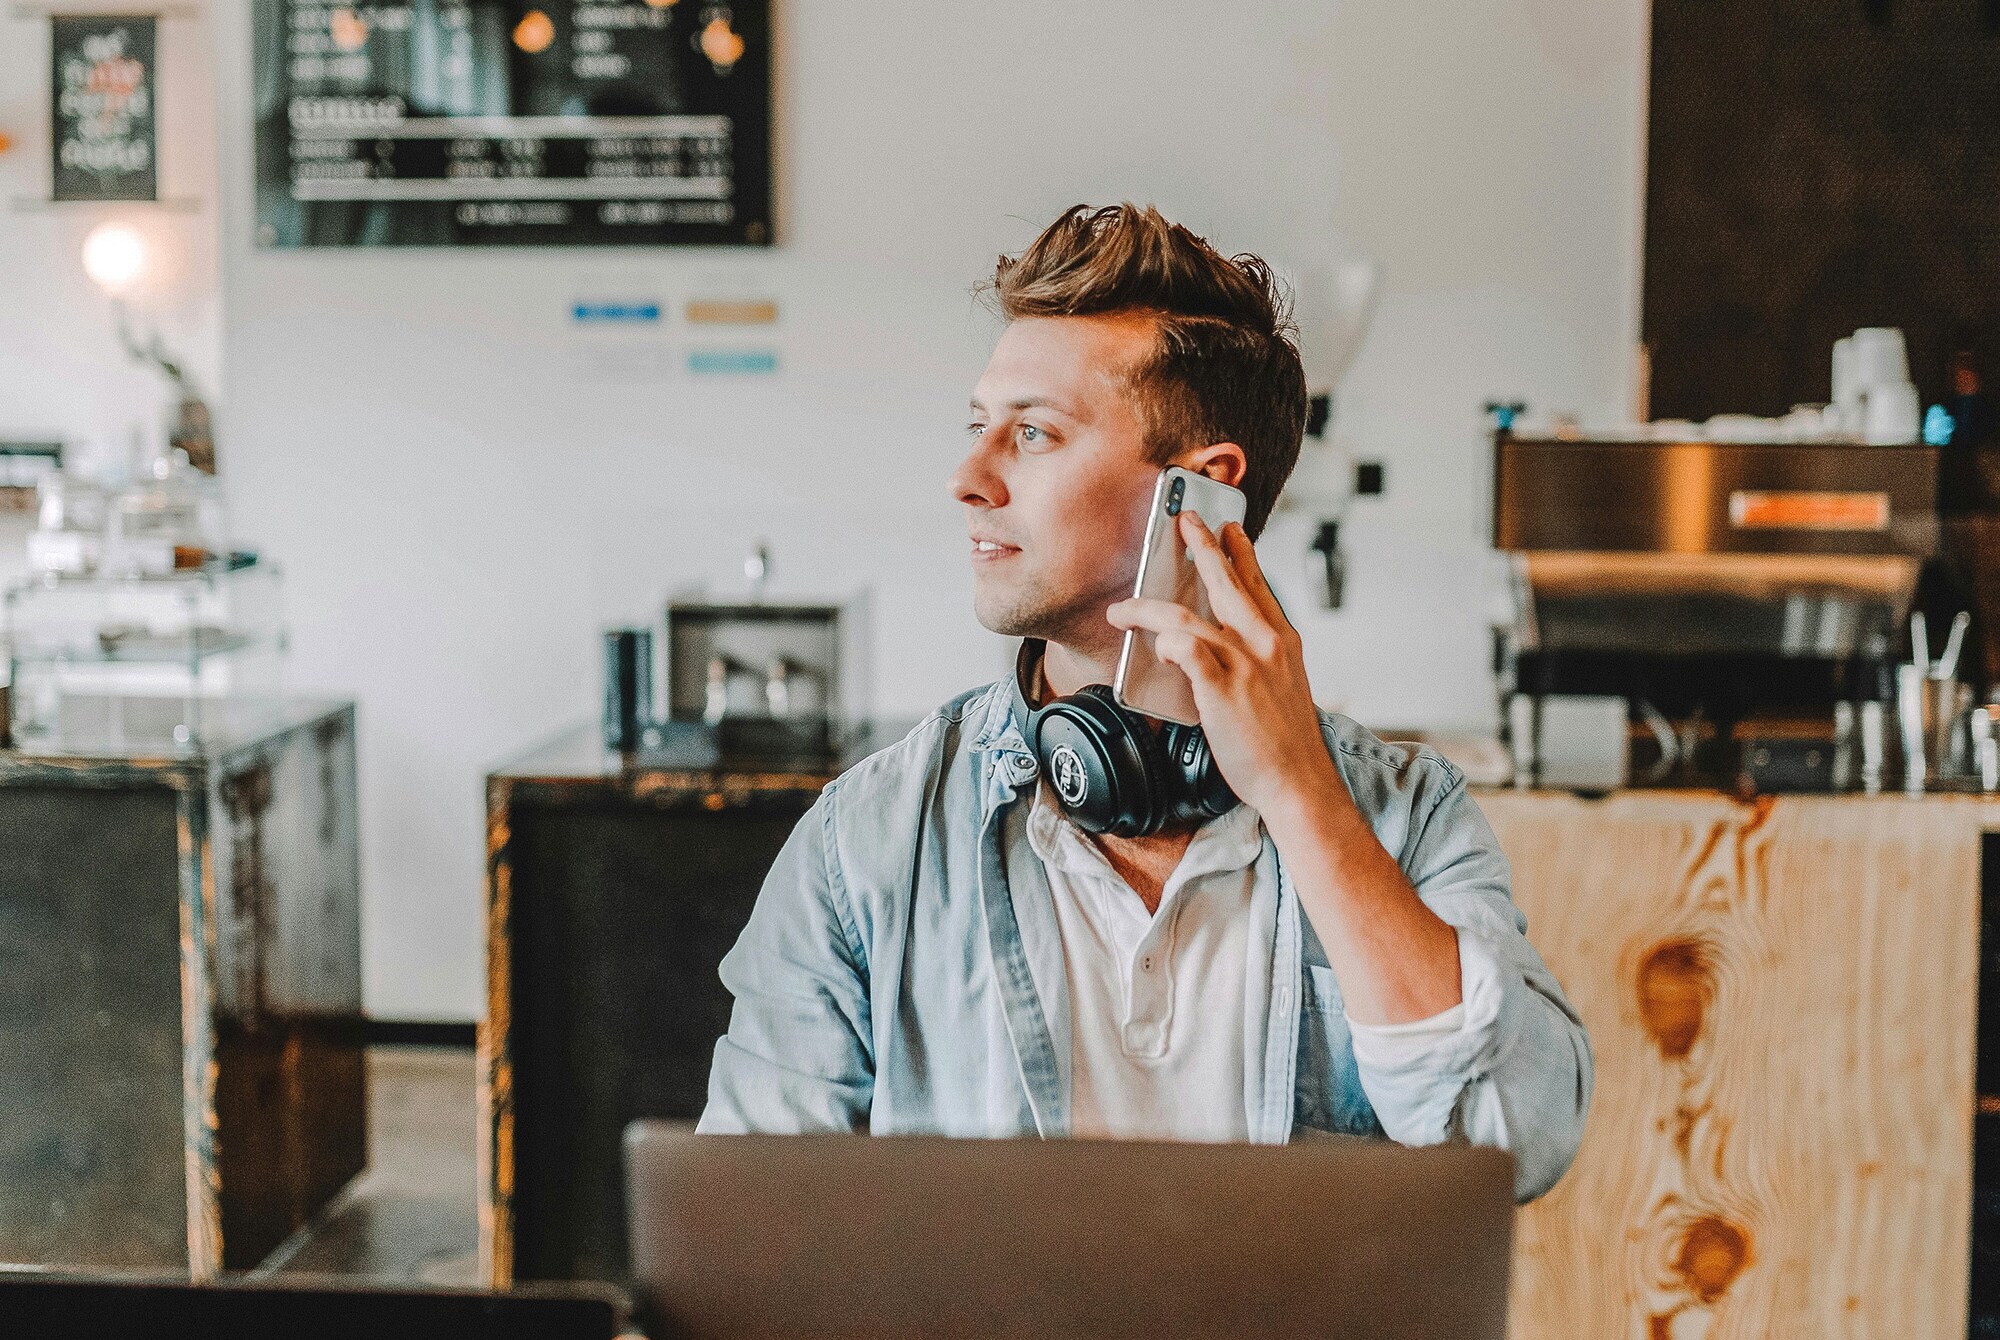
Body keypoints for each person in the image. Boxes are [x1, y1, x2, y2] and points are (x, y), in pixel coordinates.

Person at [698, 203, 1591, 1200]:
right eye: (976, 426)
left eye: (1031, 432)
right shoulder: (868, 839)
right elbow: (755, 1221)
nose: (966, 477)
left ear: (1200, 492)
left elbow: (1520, 1138)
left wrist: (1301, 798)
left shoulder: (1404, 815)